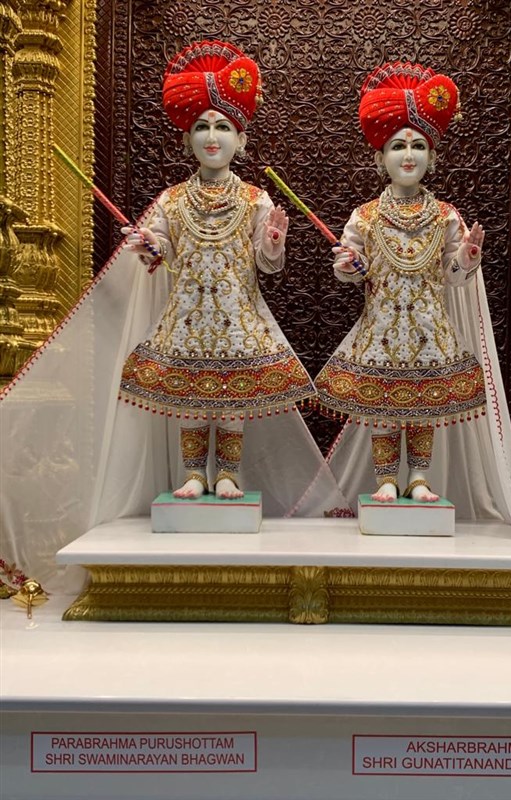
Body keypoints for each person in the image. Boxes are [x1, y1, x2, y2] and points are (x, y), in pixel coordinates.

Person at [120, 40, 315, 500]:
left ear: (240, 140)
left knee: (231, 399)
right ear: (188, 139)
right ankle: (194, 474)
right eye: (203, 127)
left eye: (223, 126)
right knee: (190, 397)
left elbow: (267, 265)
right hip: (187, 317)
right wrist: (149, 245)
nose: (212, 136)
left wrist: (273, 242)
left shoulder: (254, 198)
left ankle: (227, 473)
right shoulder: (171, 199)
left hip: (237, 317)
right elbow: (161, 251)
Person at [316, 62, 486, 503]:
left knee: (423, 406)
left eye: (417, 146)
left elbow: (452, 277)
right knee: (383, 407)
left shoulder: (445, 215)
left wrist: (466, 257)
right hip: (381, 329)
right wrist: (350, 264)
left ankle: (419, 478)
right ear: (380, 158)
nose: (408, 155)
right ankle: (387, 480)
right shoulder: (365, 216)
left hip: (430, 329)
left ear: (432, 156)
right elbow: (349, 269)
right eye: (397, 146)